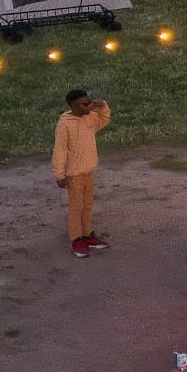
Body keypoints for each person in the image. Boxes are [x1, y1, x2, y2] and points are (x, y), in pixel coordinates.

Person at [50, 88, 111, 258]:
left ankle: (87, 234)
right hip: (74, 173)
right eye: (84, 103)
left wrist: (102, 106)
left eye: (89, 101)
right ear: (73, 105)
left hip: (88, 170)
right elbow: (60, 150)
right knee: (76, 207)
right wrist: (59, 174)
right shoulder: (65, 123)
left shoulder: (90, 117)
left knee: (88, 205)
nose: (88, 105)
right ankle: (76, 240)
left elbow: (104, 119)